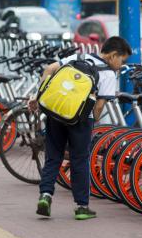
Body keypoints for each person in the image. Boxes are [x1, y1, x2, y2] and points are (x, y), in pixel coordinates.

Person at [28, 37, 131, 220]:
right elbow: (99, 106)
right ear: (113, 55)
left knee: (53, 157)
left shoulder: (79, 57)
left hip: (56, 113)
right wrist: (95, 120)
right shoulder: (107, 73)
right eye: (122, 60)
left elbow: (50, 68)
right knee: (80, 160)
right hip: (81, 120)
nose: (121, 65)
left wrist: (39, 95)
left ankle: (45, 195)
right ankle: (82, 207)